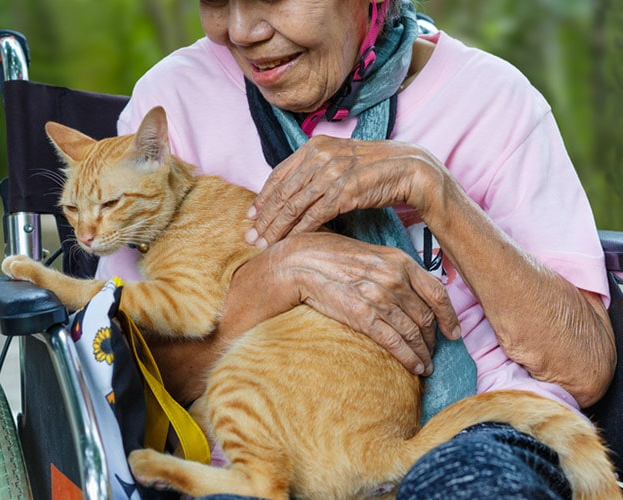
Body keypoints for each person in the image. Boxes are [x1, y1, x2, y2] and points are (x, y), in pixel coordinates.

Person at [95, 0, 617, 497]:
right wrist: (280, 274)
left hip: (477, 426)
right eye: (214, 1)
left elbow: (585, 369)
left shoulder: (493, 98)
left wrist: (431, 186)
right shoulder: (173, 101)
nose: (240, 30)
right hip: (255, 456)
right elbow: (122, 385)